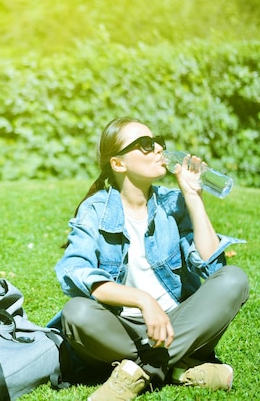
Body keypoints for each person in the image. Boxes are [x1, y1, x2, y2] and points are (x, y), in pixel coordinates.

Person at [49, 117, 249, 400]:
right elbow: (74, 272)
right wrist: (144, 300)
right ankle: (178, 369)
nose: (157, 148)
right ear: (119, 164)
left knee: (234, 280)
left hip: (178, 324)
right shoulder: (95, 211)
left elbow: (213, 265)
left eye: (157, 142)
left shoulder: (172, 204)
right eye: (145, 145)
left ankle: (139, 373)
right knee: (76, 313)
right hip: (121, 330)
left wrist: (193, 197)